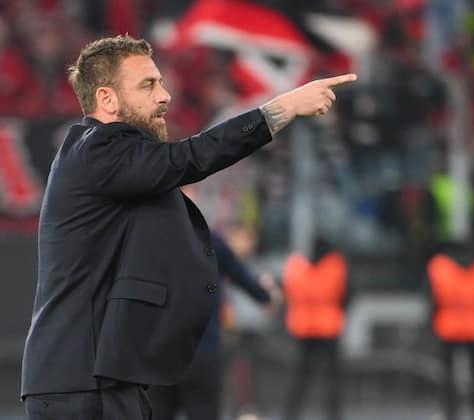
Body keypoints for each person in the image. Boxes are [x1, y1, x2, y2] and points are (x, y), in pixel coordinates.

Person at [20, 34, 356, 420]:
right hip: (81, 382)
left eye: (161, 83)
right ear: (107, 99)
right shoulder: (98, 150)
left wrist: (250, 287)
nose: (164, 96)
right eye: (147, 85)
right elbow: (192, 157)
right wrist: (282, 108)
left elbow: (185, 242)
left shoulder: (112, 166)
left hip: (102, 377)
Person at [148, 230, 281, 420]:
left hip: (162, 352)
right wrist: (267, 295)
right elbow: (243, 278)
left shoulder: (153, 240)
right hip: (203, 349)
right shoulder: (212, 241)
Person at [282, 237, 348, 420]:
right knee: (332, 378)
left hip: (304, 329)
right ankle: (334, 415)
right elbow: (345, 294)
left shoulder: (296, 268)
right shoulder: (335, 266)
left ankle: (290, 414)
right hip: (329, 328)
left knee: (301, 377)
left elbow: (288, 292)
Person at [427, 241, 474, 420]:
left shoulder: (439, 266)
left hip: (447, 325)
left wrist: (430, 323)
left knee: (448, 374)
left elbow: (432, 297)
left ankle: (451, 411)